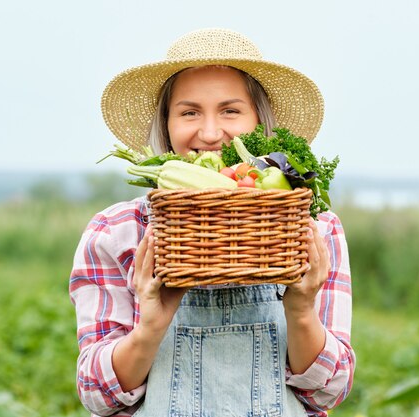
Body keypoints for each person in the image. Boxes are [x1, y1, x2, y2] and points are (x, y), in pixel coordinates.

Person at [70, 28, 355, 417]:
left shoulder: (312, 228)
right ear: (166, 124)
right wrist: (150, 326)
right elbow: (97, 395)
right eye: (189, 112)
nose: (208, 132)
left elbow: (329, 392)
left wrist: (302, 310)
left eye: (230, 110)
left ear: (259, 123)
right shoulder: (116, 232)